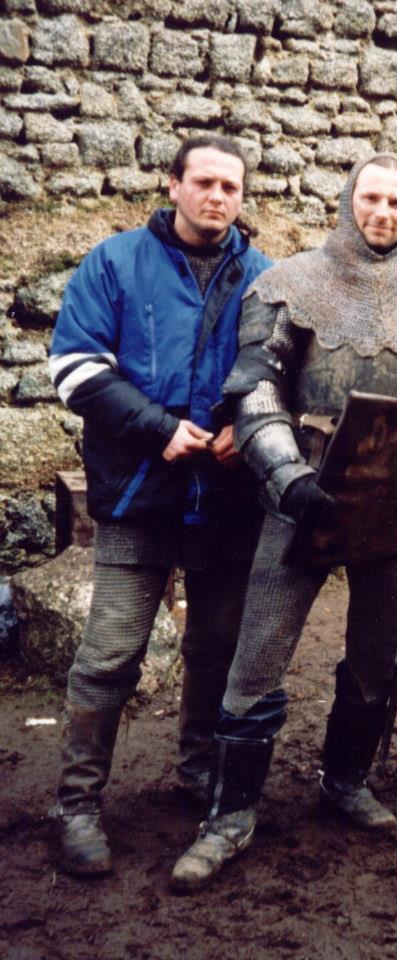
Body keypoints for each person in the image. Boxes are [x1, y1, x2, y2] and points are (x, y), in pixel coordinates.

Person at [170, 153, 397, 892]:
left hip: (393, 501)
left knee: (377, 660)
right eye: (371, 198)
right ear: (348, 200)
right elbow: (256, 393)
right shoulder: (289, 285)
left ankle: (346, 780)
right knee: (257, 656)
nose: (383, 212)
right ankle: (230, 814)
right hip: (301, 490)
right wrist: (287, 476)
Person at [47, 135, 271, 877]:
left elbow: (282, 370)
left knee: (216, 648)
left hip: (228, 498)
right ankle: (77, 805)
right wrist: (158, 429)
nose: (217, 196)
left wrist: (249, 427)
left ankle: (198, 773)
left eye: (230, 187)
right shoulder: (115, 263)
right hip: (140, 492)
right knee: (110, 652)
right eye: (203, 182)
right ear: (172, 185)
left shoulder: (266, 278)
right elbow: (75, 368)